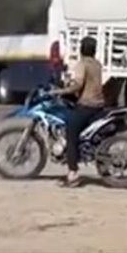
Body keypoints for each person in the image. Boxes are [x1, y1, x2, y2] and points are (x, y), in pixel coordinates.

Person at [51, 36, 105, 187]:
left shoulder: (83, 64)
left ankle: (73, 173)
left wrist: (61, 91)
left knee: (71, 132)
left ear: (82, 49)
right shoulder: (97, 64)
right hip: (98, 105)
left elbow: (78, 85)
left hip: (87, 105)